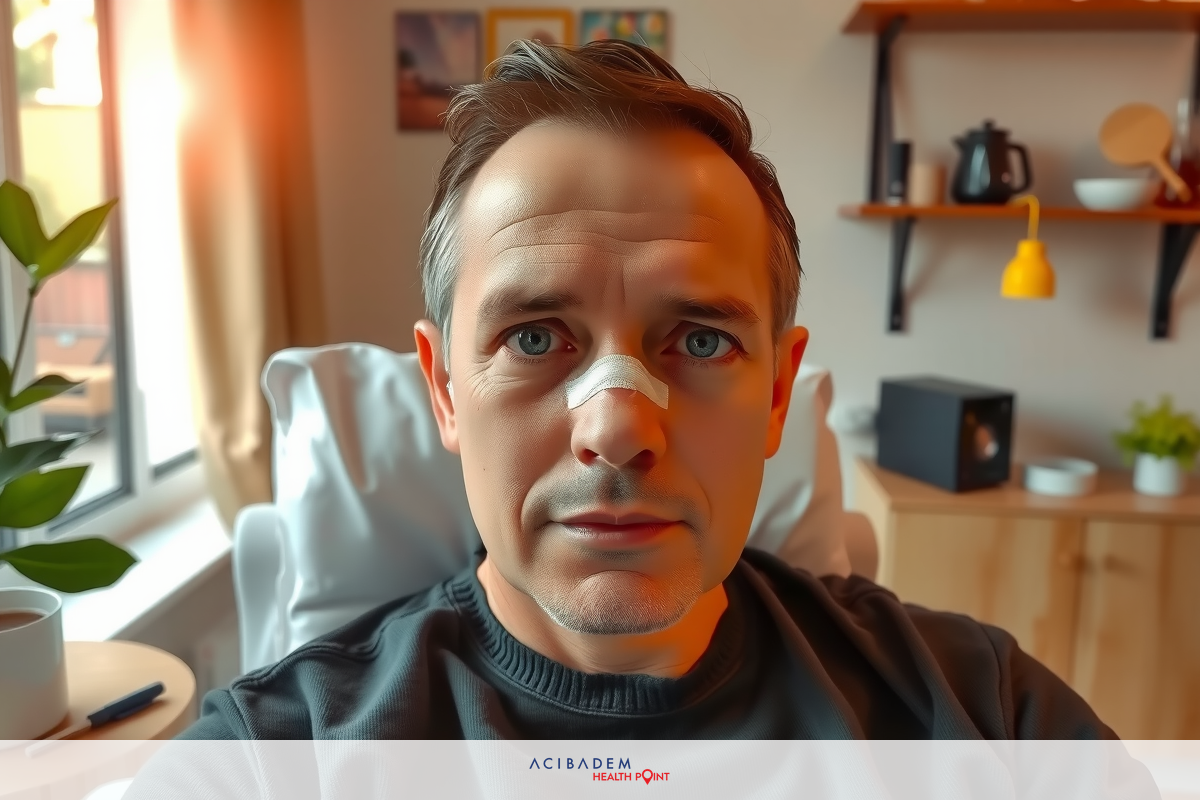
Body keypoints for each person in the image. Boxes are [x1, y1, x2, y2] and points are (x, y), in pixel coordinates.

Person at [177, 39, 1112, 739]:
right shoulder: (274, 754)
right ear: (446, 390)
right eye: (535, 337)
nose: (617, 428)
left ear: (779, 393)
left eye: (700, 339)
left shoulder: (984, 712)